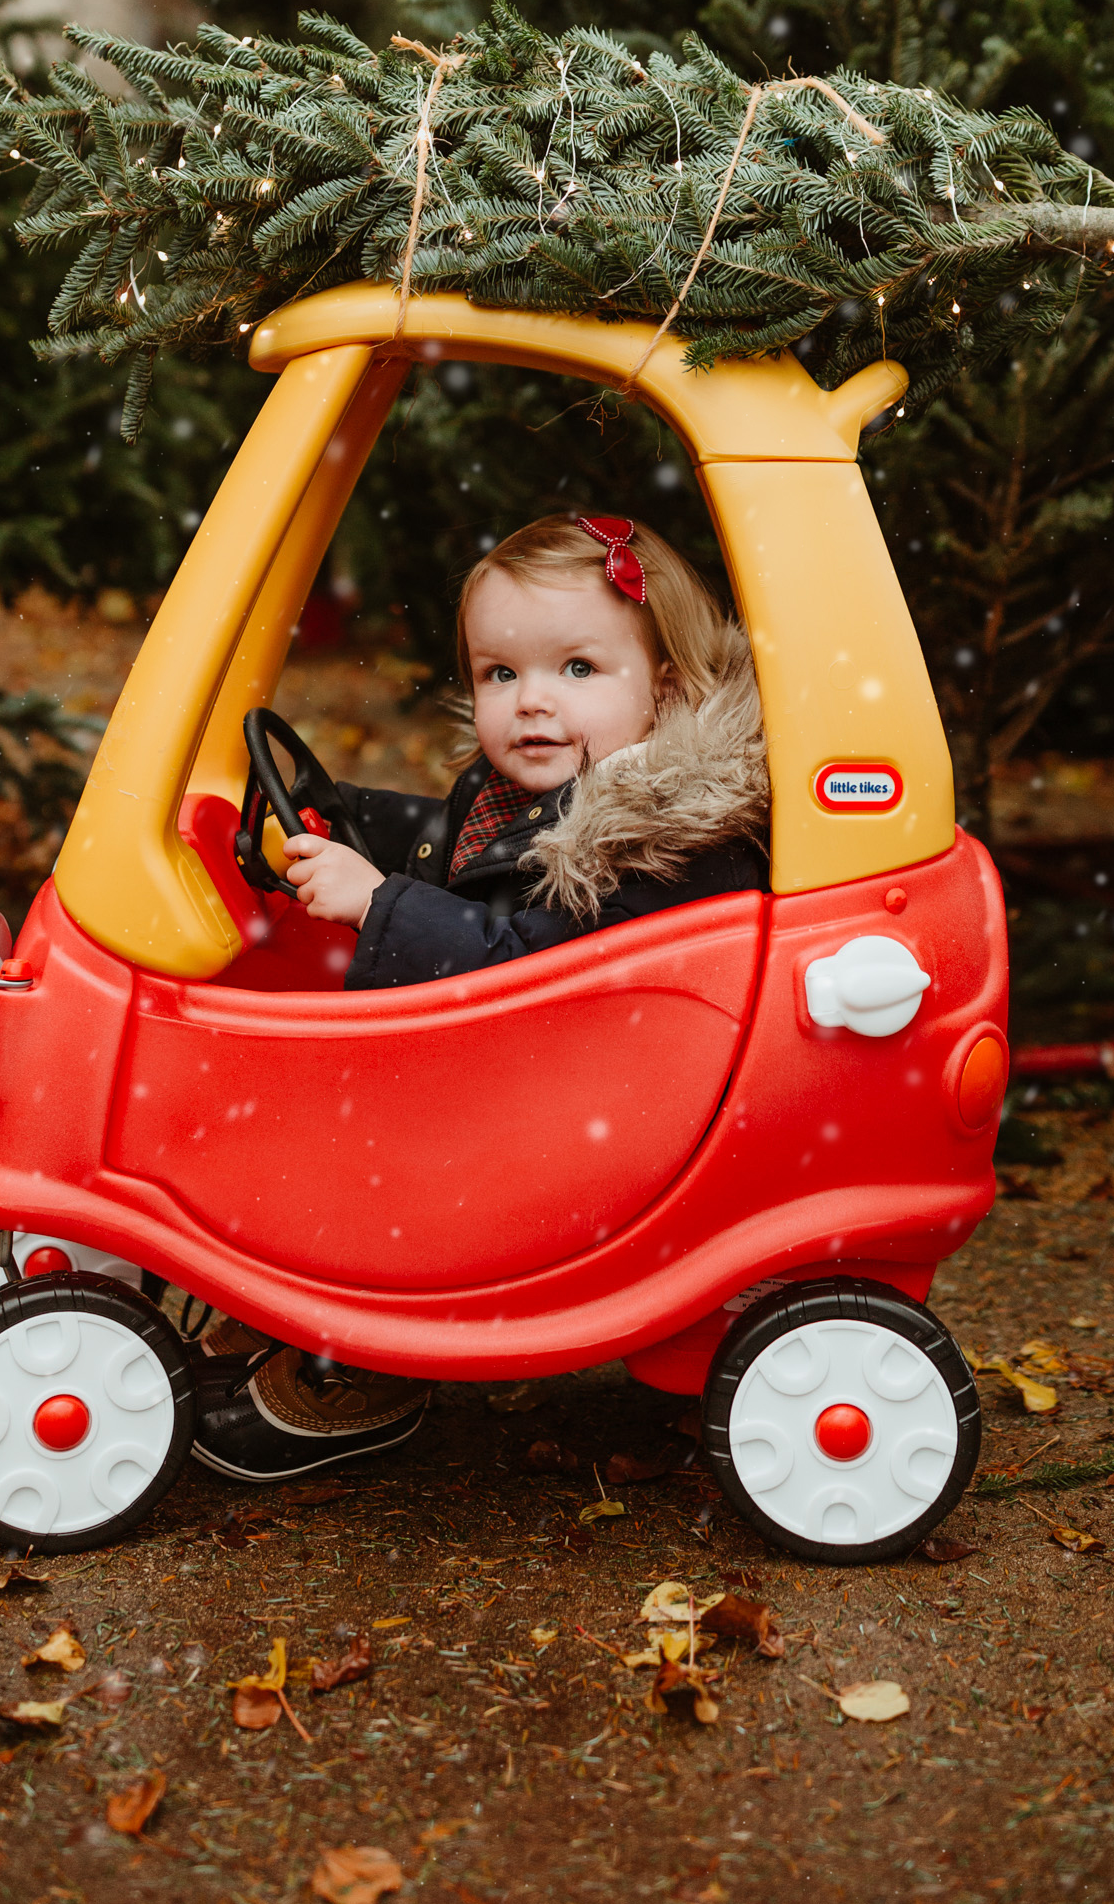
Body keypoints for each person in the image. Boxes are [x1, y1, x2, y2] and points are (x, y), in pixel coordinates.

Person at [192, 513, 771, 1484]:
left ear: (665, 686)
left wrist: (379, 905)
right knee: (332, 1074)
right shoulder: (543, 788)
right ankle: (286, 1292)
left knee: (354, 1113)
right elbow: (465, 856)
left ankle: (367, 1360)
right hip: (551, 1083)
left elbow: (536, 965)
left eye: (577, 669)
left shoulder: (666, 832)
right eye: (501, 674)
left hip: (594, 1113)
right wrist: (355, 817)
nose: (531, 703)